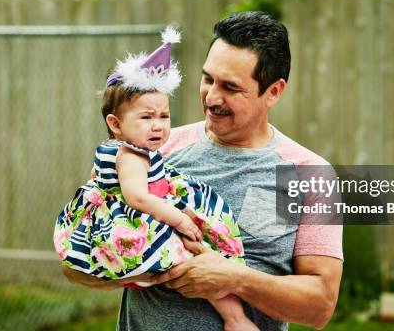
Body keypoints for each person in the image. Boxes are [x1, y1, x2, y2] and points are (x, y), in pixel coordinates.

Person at [63, 11, 344, 330]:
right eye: (208, 78)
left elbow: (320, 305)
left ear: (274, 92)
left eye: (230, 87)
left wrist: (236, 279)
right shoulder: (151, 150)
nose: (212, 97)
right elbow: (74, 265)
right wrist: (146, 265)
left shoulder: (310, 175)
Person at [54, 26, 258, 330]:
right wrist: (178, 219)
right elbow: (137, 197)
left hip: (142, 213)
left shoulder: (118, 149)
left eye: (163, 116)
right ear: (116, 123)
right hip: (143, 221)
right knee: (194, 254)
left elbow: (99, 182)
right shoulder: (132, 155)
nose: (158, 126)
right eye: (146, 117)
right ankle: (235, 318)